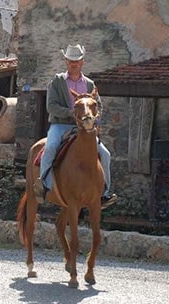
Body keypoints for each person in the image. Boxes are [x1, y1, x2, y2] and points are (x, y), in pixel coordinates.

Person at [34, 44, 118, 209]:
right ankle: (44, 185)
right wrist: (71, 113)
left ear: (82, 62)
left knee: (105, 154)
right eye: (71, 60)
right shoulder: (57, 81)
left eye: (77, 60)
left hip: (84, 129)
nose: (74, 63)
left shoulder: (90, 84)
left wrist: (94, 120)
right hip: (60, 125)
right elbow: (51, 107)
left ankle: (104, 193)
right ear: (66, 61)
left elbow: (98, 107)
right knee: (50, 148)